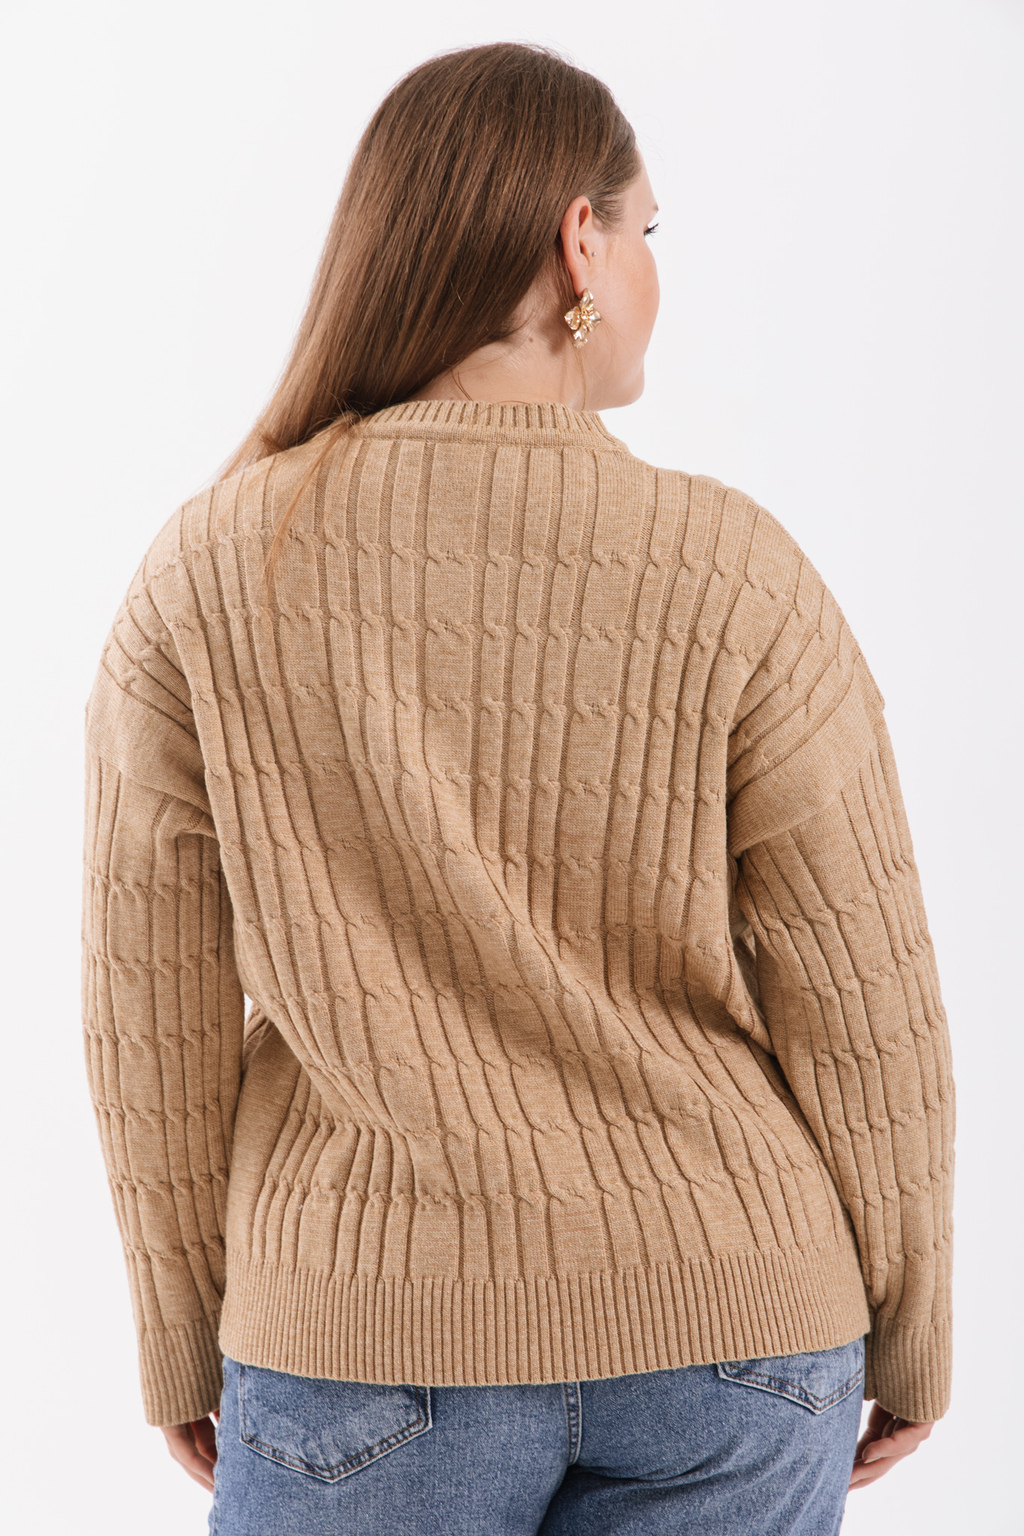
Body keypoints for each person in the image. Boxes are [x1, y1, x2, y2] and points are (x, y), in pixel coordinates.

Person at [81, 41, 954, 1536]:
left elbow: (151, 1005)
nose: (657, 272)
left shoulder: (210, 567)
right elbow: (865, 992)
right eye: (648, 229)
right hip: (739, 1331)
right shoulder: (735, 569)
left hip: (364, 1335)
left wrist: (177, 1324)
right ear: (578, 242)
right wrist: (916, 1317)